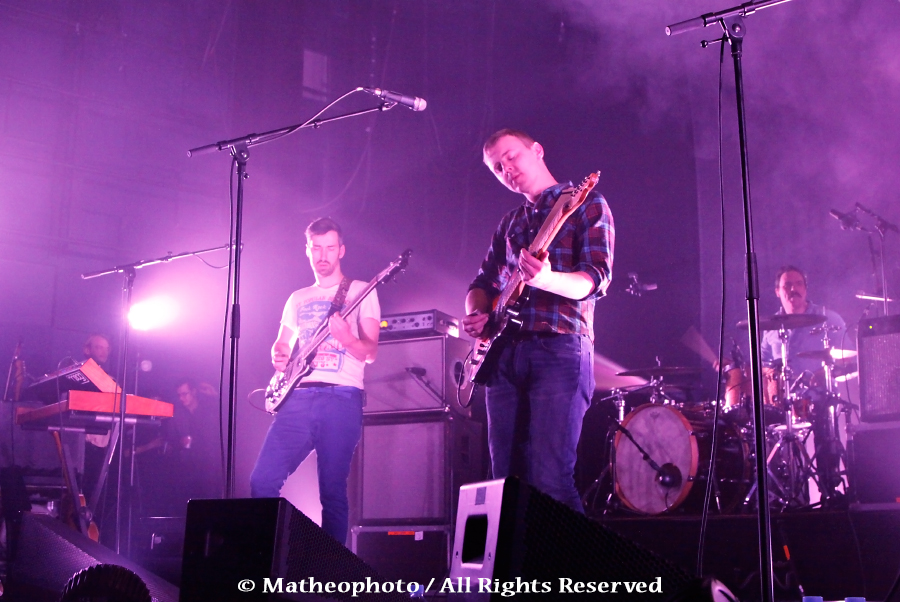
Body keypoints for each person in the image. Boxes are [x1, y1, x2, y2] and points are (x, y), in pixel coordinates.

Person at [462, 129, 614, 512]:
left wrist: (545, 279)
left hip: (560, 348)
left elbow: (595, 279)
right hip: (503, 356)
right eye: (497, 168)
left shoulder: (586, 202)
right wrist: (477, 313)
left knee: (551, 481)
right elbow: (482, 283)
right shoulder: (509, 222)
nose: (507, 169)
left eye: (511, 156)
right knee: (504, 485)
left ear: (537, 150)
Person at [250, 217, 380, 545]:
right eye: (317, 248)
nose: (323, 255)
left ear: (341, 250)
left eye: (330, 248)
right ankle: (274, 557)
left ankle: (329, 571)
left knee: (332, 493)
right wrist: (279, 354)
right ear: (307, 250)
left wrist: (347, 338)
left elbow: (370, 352)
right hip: (297, 399)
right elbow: (282, 344)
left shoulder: (361, 290)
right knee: (262, 481)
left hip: (341, 398)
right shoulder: (297, 298)